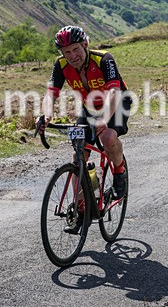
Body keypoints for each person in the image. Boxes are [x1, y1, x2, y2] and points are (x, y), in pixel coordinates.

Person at [39, 26, 130, 229]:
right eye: (66, 52)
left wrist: (105, 119)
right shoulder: (61, 65)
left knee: (107, 138)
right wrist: (47, 115)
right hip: (89, 108)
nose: (72, 56)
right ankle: (81, 207)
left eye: (75, 49)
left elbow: (114, 92)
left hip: (117, 103)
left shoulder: (104, 59)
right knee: (78, 156)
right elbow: (50, 93)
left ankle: (119, 171)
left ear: (85, 45)